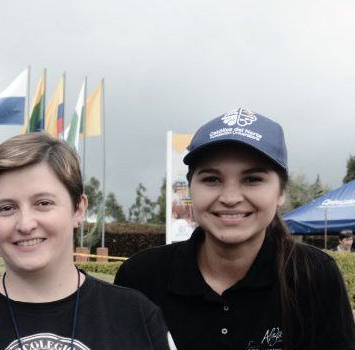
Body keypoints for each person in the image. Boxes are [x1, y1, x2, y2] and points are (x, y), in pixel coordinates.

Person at [115, 108, 355, 349]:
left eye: (252, 180)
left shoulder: (314, 275)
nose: (230, 198)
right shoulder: (140, 277)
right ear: (190, 189)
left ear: (281, 192)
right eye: (211, 179)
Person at [0, 133, 171, 350]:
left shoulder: (135, 315)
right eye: (6, 208)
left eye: (43, 203)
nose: (25, 224)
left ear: (78, 209)